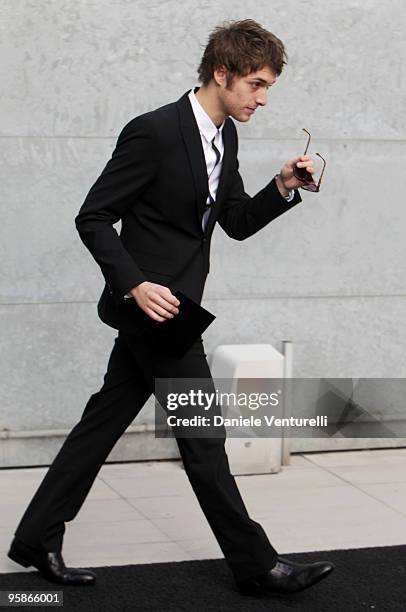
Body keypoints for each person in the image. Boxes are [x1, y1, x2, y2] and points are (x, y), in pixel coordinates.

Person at [8, 19, 335, 597]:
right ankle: (255, 565)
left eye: (267, 88)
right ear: (220, 72)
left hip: (179, 309)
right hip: (154, 312)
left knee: (102, 423)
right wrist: (133, 284)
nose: (262, 98)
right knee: (205, 439)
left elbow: (232, 223)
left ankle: (36, 538)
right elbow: (93, 217)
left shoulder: (225, 136)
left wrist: (282, 185)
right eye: (255, 85)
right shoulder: (154, 132)